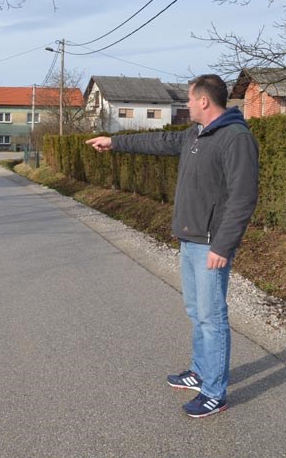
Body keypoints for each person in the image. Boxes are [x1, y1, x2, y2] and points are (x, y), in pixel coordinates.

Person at [86, 74, 259, 418]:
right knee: (197, 312)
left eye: (190, 99)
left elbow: (243, 198)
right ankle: (200, 372)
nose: (188, 105)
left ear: (204, 101)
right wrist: (114, 142)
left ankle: (215, 393)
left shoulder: (235, 138)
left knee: (212, 318)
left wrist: (223, 246)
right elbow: (158, 141)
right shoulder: (196, 134)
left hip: (211, 244)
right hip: (190, 238)